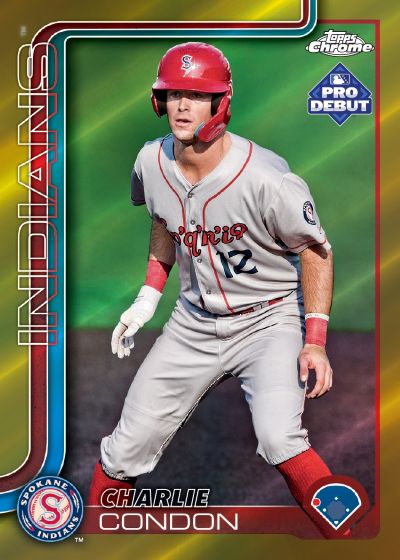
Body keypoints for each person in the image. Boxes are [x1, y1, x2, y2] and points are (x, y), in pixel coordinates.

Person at [88, 42, 338, 537]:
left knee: (280, 438)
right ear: (159, 100)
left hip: (268, 323)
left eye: (197, 96)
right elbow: (164, 220)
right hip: (193, 324)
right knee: (126, 447)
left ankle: (348, 535)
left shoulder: (267, 178)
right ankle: (90, 540)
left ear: (220, 103)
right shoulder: (151, 161)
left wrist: (315, 341)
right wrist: (147, 298)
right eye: (174, 94)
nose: (183, 106)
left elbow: (316, 252)